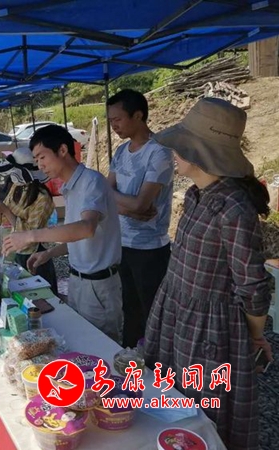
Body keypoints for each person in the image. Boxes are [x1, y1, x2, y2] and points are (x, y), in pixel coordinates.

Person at [144, 98, 272, 450]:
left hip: (208, 330)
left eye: (180, 146)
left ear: (199, 153)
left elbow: (253, 285)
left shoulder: (234, 208)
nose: (174, 153)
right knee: (171, 400)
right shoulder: (196, 194)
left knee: (202, 411)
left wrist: (255, 337)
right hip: (175, 311)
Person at [3, 125, 123, 343]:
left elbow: (86, 228)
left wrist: (31, 236)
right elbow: (77, 236)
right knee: (82, 342)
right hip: (78, 280)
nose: (40, 165)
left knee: (101, 346)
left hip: (98, 284)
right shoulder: (70, 187)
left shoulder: (91, 182)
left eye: (42, 157)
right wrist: (50, 253)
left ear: (62, 150)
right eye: (36, 160)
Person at [106, 89, 175, 348]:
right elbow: (107, 192)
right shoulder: (121, 152)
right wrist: (129, 209)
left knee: (153, 314)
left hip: (150, 249)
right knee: (130, 310)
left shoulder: (159, 152)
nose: (114, 126)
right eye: (110, 121)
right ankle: (129, 360)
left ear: (138, 115)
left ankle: (157, 364)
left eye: (118, 119)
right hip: (123, 243)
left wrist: (124, 203)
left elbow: (141, 203)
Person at [0, 147, 58, 294]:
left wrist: (5, 211)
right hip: (14, 252)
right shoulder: (16, 187)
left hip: (35, 256)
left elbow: (30, 235)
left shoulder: (42, 197)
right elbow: (6, 219)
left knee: (40, 298)